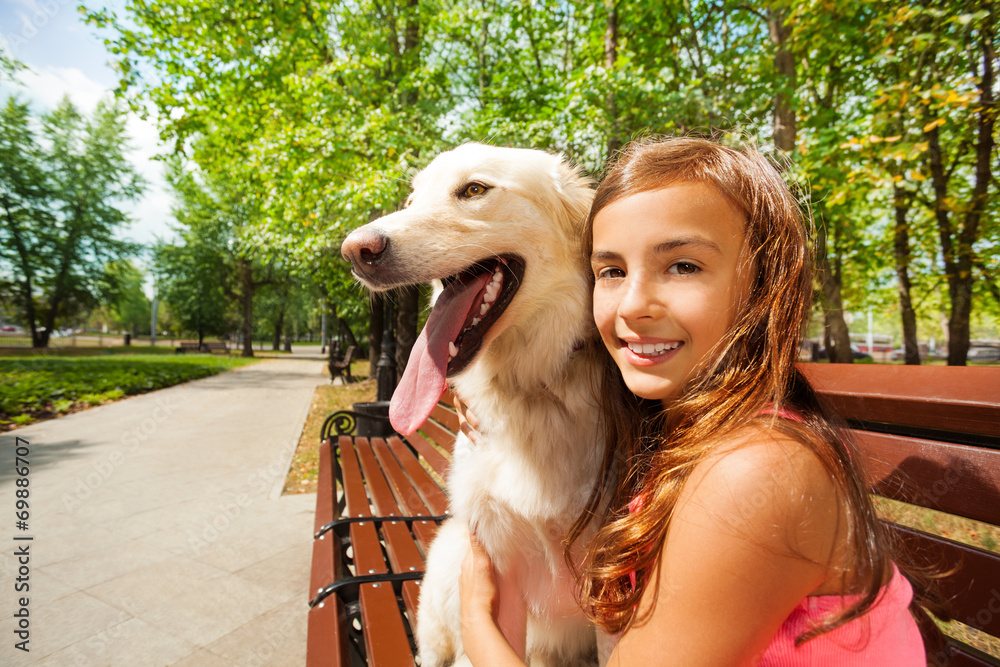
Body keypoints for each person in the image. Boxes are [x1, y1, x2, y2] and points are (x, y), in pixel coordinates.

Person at [457, 137, 928, 665]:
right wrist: (495, 403)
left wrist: (475, 622)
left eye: (683, 266)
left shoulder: (756, 471)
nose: (633, 305)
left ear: (764, 285)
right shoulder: (676, 424)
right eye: (611, 271)